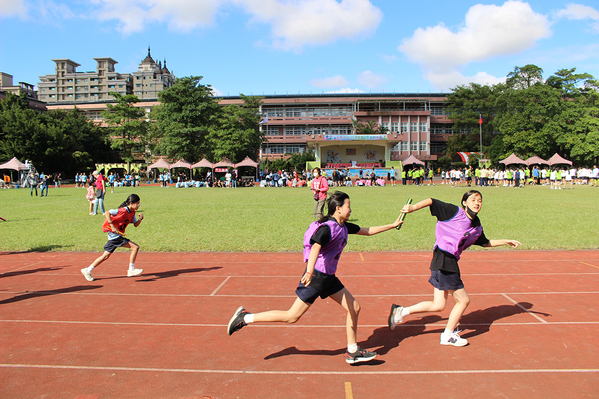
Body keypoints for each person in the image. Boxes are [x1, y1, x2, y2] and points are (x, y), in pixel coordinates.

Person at [227, 191, 404, 364]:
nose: (351, 210)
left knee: (354, 307)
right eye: (348, 206)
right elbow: (315, 248)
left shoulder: (343, 226)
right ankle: (245, 318)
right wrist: (310, 272)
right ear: (338, 209)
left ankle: (353, 351)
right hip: (317, 277)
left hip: (329, 278)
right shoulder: (328, 228)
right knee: (291, 316)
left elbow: (368, 230)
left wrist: (392, 224)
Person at [387, 190, 521, 346]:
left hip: (444, 261)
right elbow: (432, 201)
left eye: (480, 200)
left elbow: (484, 242)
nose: (477, 203)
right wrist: (413, 207)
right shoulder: (454, 212)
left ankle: (401, 311)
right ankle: (447, 336)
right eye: (473, 199)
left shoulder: (476, 226)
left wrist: (506, 241)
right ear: (465, 202)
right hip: (444, 259)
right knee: (463, 301)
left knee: (438, 305)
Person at [81, 194, 144, 281]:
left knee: (105, 256)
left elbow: (135, 225)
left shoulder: (132, 212)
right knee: (135, 247)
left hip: (116, 236)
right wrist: (112, 226)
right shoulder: (121, 210)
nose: (138, 205)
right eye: (137, 203)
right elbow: (107, 213)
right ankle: (131, 269)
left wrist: (140, 219)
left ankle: (88, 270)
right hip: (114, 236)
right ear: (131, 203)